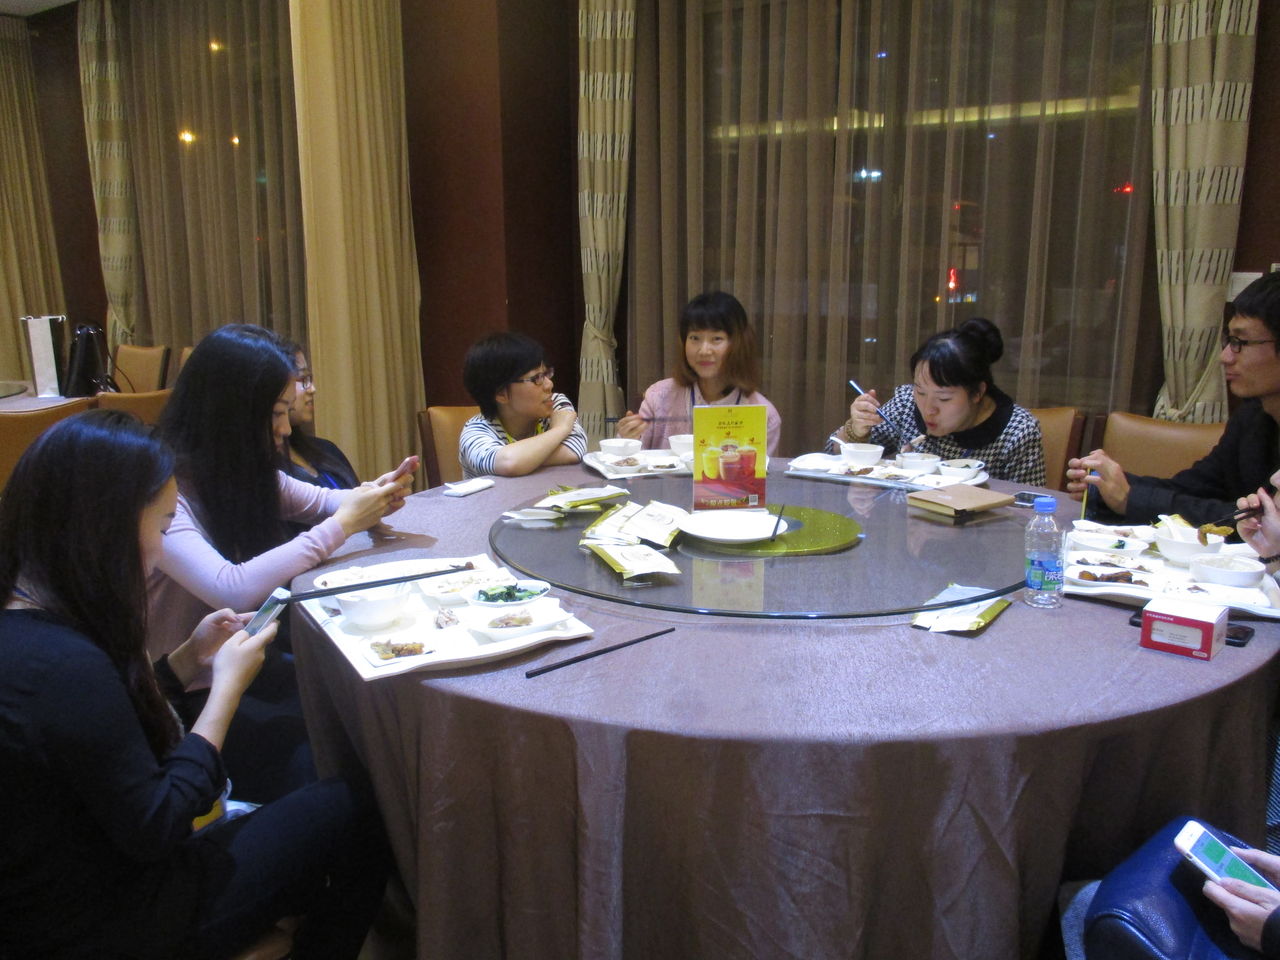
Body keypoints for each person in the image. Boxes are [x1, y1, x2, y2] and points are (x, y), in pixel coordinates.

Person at [0, 410, 390, 960]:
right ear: (105, 528)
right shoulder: (65, 665)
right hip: (109, 919)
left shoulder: (27, 617)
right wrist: (225, 687)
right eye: (161, 529)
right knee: (357, 809)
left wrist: (183, 664)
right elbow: (159, 822)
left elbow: (93, 741)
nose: (161, 551)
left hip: (55, 889)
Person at [151, 324, 414, 800]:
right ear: (230, 412)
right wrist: (345, 523)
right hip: (184, 691)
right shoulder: (161, 489)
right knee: (343, 759)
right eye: (275, 413)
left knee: (371, 712)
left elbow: (322, 503)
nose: (286, 429)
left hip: (242, 664)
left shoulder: (234, 468)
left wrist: (374, 495)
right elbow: (230, 587)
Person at [1066, 271, 1280, 527]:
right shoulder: (1253, 416)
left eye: (1239, 342)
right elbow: (1193, 488)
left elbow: (1259, 523)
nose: (1225, 357)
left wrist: (1131, 498)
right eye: (1228, 341)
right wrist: (1107, 483)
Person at [832, 317, 1045, 484]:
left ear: (977, 392)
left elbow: (1028, 508)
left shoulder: (1017, 431)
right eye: (921, 391)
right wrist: (857, 430)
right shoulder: (907, 402)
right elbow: (832, 456)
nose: (928, 409)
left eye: (944, 398)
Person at [615, 291, 782, 454]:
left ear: (738, 344)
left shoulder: (765, 416)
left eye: (716, 339)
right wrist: (627, 440)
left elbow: (759, 471)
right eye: (695, 338)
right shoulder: (659, 396)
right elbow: (626, 462)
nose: (704, 350)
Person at [459, 331, 588, 479]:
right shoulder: (475, 431)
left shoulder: (555, 404)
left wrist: (525, 459)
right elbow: (509, 463)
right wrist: (560, 429)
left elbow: (574, 450)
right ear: (501, 394)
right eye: (536, 378)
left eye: (546, 374)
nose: (549, 385)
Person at [277, 341, 358, 489]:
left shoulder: (326, 448)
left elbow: (353, 495)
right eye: (302, 379)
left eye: (309, 378)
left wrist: (377, 489)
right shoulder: (267, 471)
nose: (312, 389)